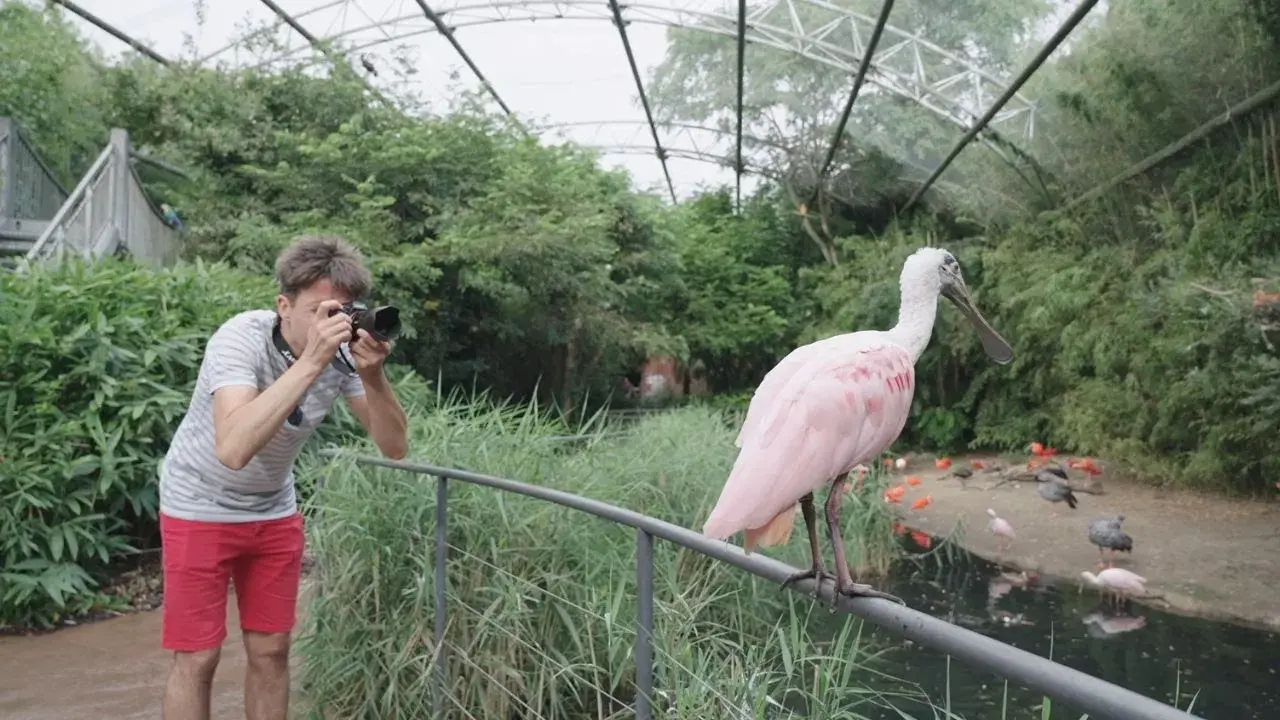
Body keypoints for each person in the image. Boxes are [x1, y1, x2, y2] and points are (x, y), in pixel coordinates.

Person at [157, 235, 410, 719]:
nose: (332, 322)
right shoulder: (240, 338)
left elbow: (395, 446)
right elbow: (233, 449)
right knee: (198, 656)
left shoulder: (342, 356)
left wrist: (374, 377)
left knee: (272, 651)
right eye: (320, 309)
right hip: (198, 503)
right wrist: (312, 361)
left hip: (272, 508)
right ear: (283, 306)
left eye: (343, 309)